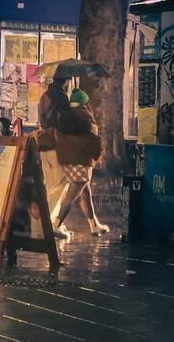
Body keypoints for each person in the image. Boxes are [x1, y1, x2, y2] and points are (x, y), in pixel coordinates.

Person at [50, 89, 109, 237]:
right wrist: (98, 151)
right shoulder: (84, 116)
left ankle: (94, 225)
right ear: (84, 103)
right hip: (81, 161)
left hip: (67, 160)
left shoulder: (66, 116)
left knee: (85, 193)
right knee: (71, 196)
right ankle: (56, 225)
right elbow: (92, 140)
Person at [37, 75, 71, 234]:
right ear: (65, 81)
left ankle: (50, 222)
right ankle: (48, 223)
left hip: (43, 144)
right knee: (61, 184)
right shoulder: (61, 97)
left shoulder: (45, 95)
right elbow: (64, 122)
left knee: (51, 185)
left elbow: (43, 120)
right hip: (56, 145)